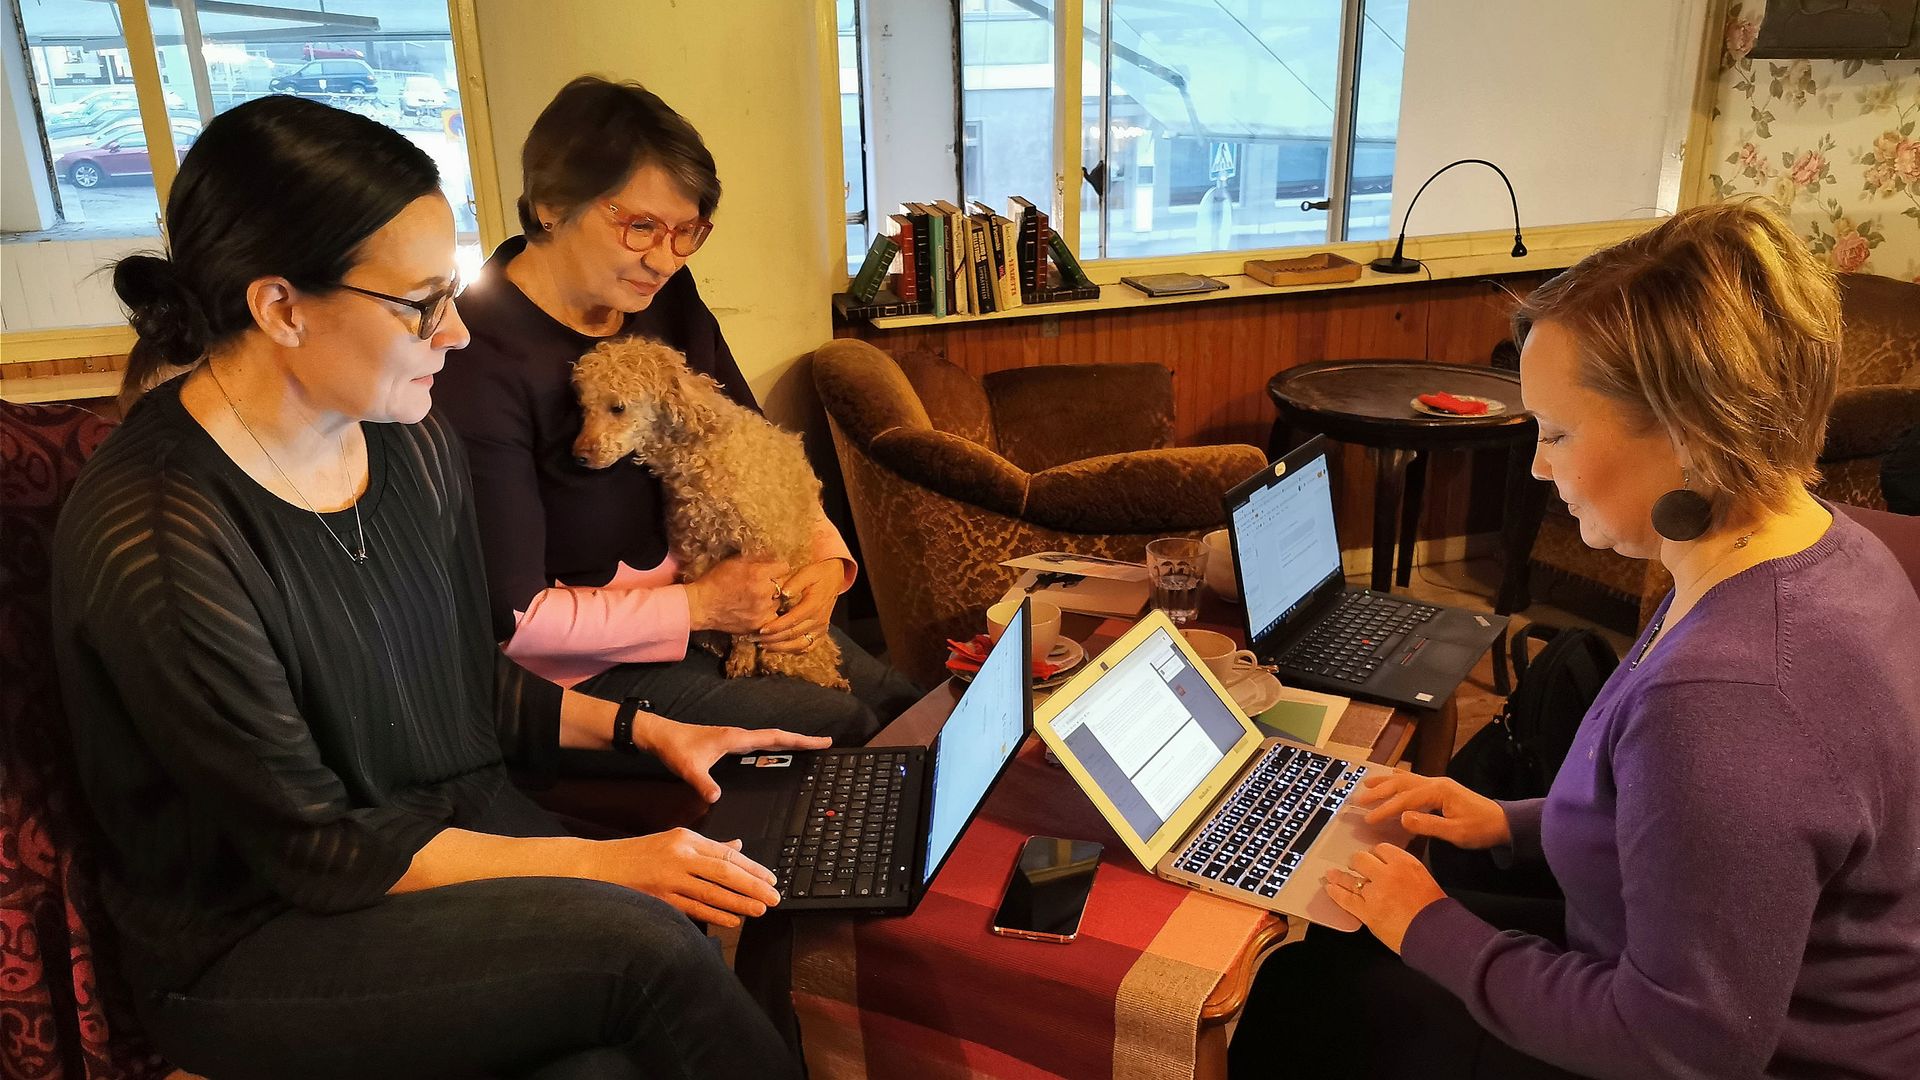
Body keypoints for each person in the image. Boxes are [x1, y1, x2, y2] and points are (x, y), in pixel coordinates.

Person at [52, 95, 826, 1079]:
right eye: (422, 303)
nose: (456, 334)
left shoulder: (409, 444)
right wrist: (606, 865)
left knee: (725, 919)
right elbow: (317, 848)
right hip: (263, 933)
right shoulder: (161, 538)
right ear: (282, 307)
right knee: (651, 948)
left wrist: (654, 732)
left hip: (445, 833)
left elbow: (464, 681)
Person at [1230, 201, 1920, 1079]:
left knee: (1292, 1001)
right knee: (1332, 948)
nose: (1537, 465)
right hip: (1657, 971)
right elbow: (1712, 837)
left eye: (1556, 432)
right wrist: (1513, 821)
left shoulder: (1730, 701)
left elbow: (1680, 1047)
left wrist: (1428, 926)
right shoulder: (1827, 547)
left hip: (1710, 1051)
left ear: (1692, 434)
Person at [436, 76, 920, 753]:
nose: (665, 259)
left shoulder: (662, 295)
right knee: (850, 731)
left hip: (724, 605)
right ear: (550, 205)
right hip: (586, 672)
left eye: (687, 232)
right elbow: (516, 619)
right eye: (640, 226)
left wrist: (821, 561)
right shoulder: (477, 360)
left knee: (907, 708)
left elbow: (754, 443)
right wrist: (700, 606)